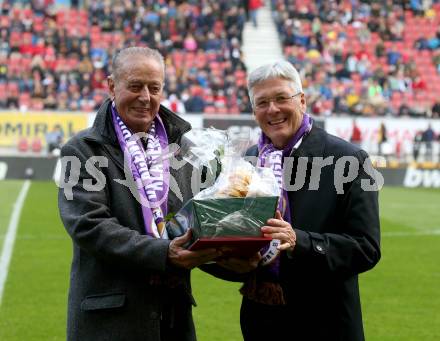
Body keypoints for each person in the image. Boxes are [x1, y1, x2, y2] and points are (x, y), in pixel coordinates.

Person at [201, 60, 381, 341]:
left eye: (281, 98)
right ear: (254, 111)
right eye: (262, 102)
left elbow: (366, 248)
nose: (272, 109)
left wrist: (300, 241)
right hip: (261, 324)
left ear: (302, 101)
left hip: (326, 324)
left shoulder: (349, 160)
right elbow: (230, 245)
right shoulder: (245, 161)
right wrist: (229, 262)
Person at [58, 47, 222, 341]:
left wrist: (238, 254)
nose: (145, 97)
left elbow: (196, 224)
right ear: (112, 86)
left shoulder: (182, 150)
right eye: (135, 86)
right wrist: (164, 253)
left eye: (154, 88)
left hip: (173, 320)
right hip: (112, 322)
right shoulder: (81, 150)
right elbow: (89, 225)